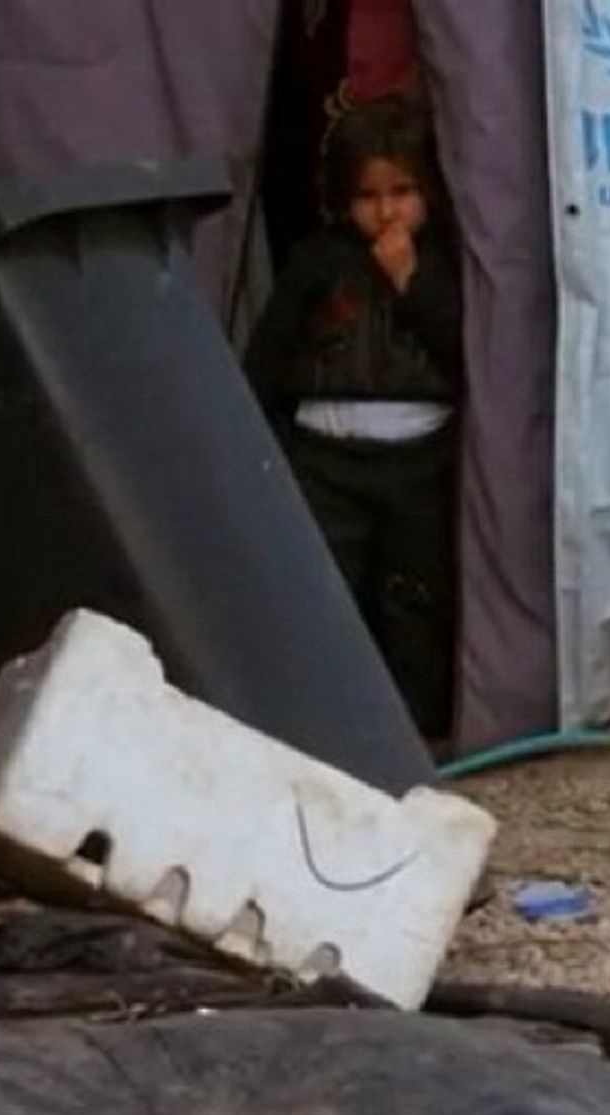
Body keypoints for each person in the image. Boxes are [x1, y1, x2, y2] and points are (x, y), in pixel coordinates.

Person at [246, 95, 462, 746]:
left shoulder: (448, 263)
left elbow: (463, 347)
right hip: (325, 459)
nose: (387, 211)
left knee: (414, 598)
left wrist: (411, 281)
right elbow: (271, 352)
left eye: (403, 191)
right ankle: (326, 727)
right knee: (328, 592)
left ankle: (415, 730)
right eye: (369, 195)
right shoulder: (318, 260)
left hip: (419, 460)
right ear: (343, 196)